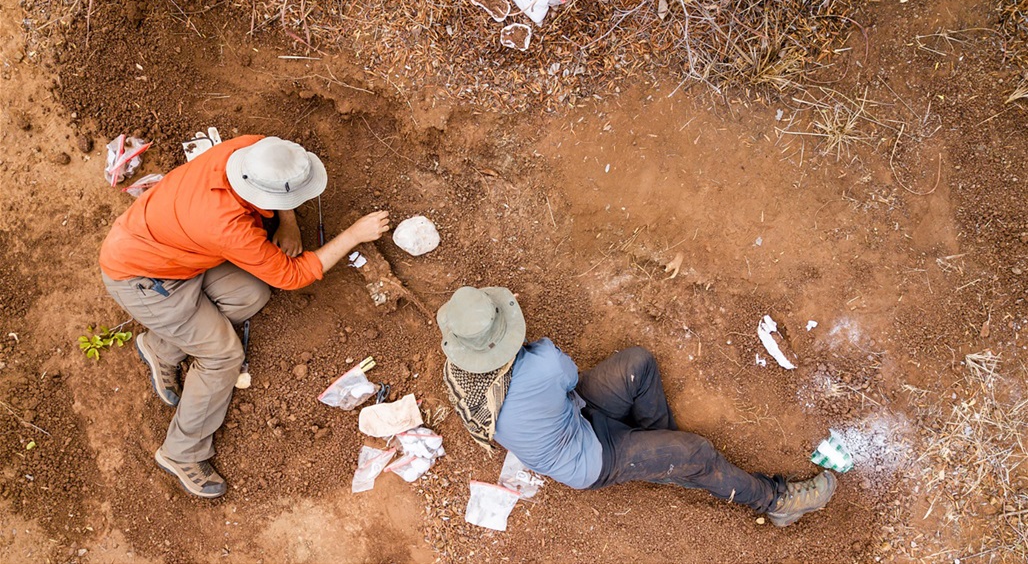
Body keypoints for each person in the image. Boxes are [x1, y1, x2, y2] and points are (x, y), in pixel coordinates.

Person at [99, 135, 389, 498]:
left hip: (173, 253)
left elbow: (278, 183)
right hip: (144, 280)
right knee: (223, 356)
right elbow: (293, 276)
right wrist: (352, 236)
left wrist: (290, 223)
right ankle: (182, 452)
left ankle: (162, 349)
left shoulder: (251, 150)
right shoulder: (226, 226)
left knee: (250, 293)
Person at [436, 286, 837, 527]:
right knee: (696, 452)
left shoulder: (463, 374)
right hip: (588, 459)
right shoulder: (542, 364)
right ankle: (776, 502)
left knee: (637, 364)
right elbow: (569, 376)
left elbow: (559, 389)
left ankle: (661, 452)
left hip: (572, 417)